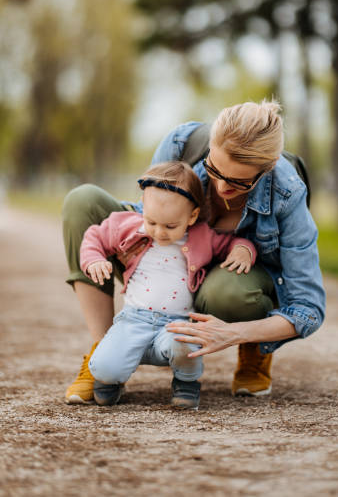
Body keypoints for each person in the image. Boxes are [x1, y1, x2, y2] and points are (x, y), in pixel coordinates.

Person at [63, 99, 325, 405]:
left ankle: (254, 352)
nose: (221, 186)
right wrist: (122, 245)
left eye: (239, 182)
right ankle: (103, 351)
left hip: (232, 280)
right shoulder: (181, 145)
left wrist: (236, 333)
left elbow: (309, 309)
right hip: (175, 263)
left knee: (228, 292)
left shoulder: (287, 192)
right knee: (83, 201)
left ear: (265, 170)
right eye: (215, 169)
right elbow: (149, 211)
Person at [77, 161, 256, 409]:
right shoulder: (128, 225)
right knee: (104, 367)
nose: (159, 232)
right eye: (151, 222)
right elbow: (94, 236)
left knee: (185, 344)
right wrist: (94, 259)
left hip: (176, 322)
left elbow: (232, 242)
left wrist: (243, 250)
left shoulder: (201, 236)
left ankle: (186, 381)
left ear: (192, 215)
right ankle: (111, 379)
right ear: (144, 205)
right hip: (133, 321)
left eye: (170, 226)